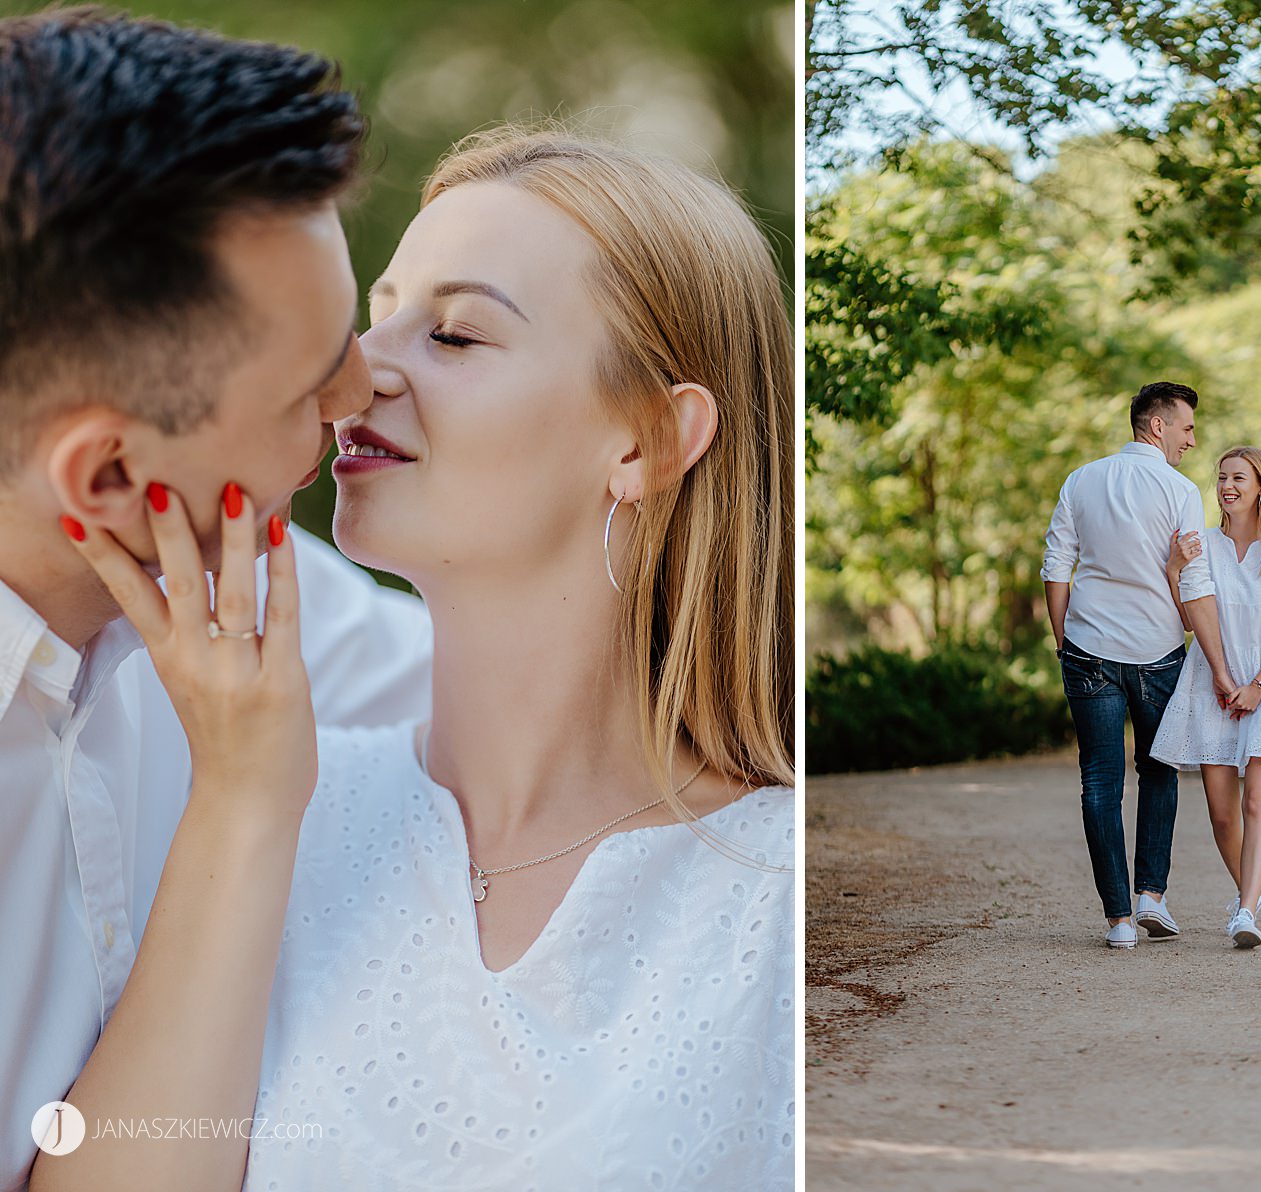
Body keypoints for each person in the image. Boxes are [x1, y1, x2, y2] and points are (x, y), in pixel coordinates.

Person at [62, 129, 797, 1189]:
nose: (357, 375)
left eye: (453, 335)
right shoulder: (266, 809)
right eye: (377, 316)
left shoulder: (770, 889)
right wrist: (243, 804)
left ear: (643, 440)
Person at [1, 11, 435, 1190]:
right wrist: (246, 802)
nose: (361, 390)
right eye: (312, 378)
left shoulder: (226, 582)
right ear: (106, 479)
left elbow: (515, 681)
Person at [1041, 382, 1234, 950]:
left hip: (1088, 647)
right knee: (1159, 770)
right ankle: (1152, 895)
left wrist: (1063, 641)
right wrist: (1219, 665)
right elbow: (1194, 581)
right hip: (1157, 652)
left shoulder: (1081, 479)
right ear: (1157, 426)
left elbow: (1057, 566)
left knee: (1099, 781)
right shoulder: (1178, 489)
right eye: (1187, 428)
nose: (1191, 442)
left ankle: (1119, 920)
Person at [1151, 445, 1261, 948]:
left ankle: (1246, 911)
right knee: (1222, 813)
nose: (1227, 486)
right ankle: (1246, 896)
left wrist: (1257, 687)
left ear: (1260, 487)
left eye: (1238, 478)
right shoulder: (1201, 546)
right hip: (1213, 682)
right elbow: (1188, 621)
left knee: (1256, 801)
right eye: (1222, 477)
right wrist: (1173, 569)